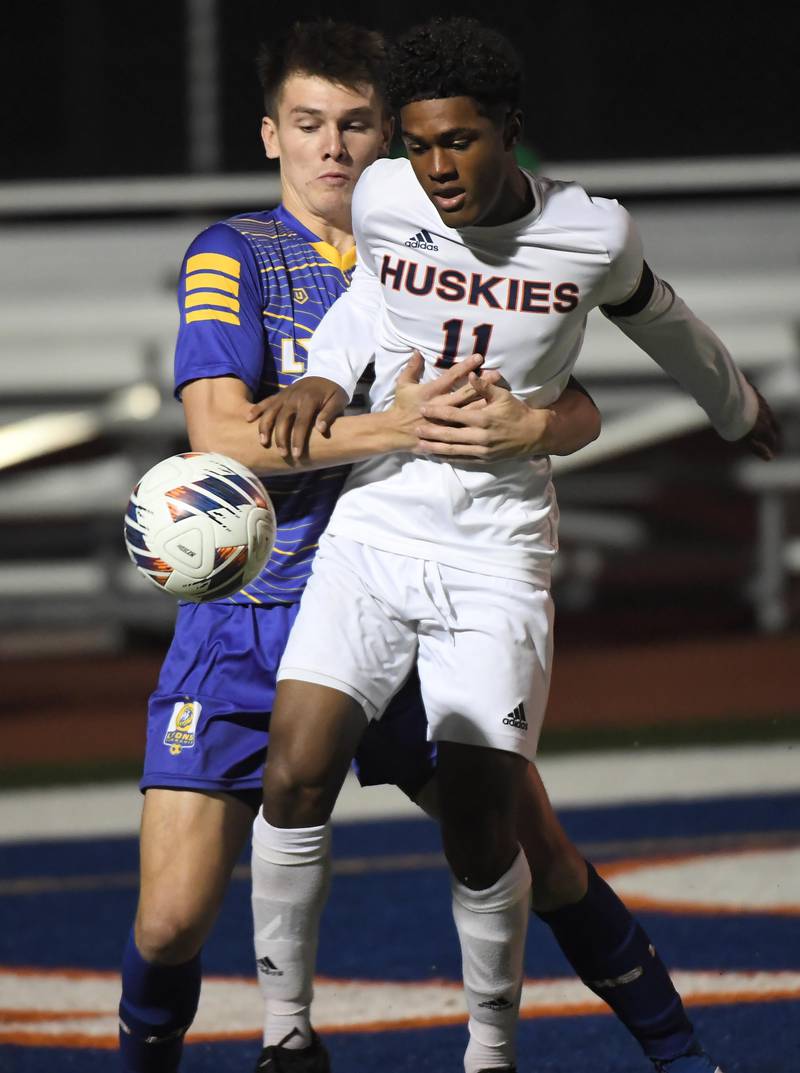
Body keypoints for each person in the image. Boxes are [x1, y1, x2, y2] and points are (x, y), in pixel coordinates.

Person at [249, 16, 780, 1073]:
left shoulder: (592, 233)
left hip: (494, 550)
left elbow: (662, 321)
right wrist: (319, 373)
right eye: (415, 142)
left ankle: (489, 1049)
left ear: (508, 131)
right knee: (293, 770)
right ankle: (284, 1034)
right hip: (378, 520)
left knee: (482, 818)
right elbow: (369, 298)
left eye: (458, 140)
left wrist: (734, 409)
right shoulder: (386, 195)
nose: (434, 167)